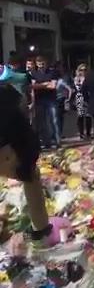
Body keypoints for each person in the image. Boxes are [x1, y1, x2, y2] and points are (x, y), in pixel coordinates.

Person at [0, 84, 69, 247]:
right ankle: (41, 234)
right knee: (30, 175)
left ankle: (41, 234)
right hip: (16, 146)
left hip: (15, 147)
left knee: (29, 174)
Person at [31, 56, 60, 149]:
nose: (41, 65)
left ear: (46, 62)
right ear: (36, 64)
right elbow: (33, 86)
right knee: (42, 122)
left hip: (51, 99)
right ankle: (47, 142)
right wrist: (46, 84)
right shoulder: (33, 73)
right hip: (39, 99)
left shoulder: (52, 72)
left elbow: (53, 86)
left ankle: (57, 141)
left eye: (43, 63)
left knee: (54, 121)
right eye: (39, 64)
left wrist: (40, 85)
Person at [54, 64, 73, 140]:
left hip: (59, 100)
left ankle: (58, 134)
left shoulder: (61, 80)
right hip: (57, 100)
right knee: (58, 118)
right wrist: (68, 98)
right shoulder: (60, 80)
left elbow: (70, 89)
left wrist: (68, 98)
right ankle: (58, 134)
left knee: (58, 118)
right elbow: (70, 89)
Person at [73, 64, 91, 140]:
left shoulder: (89, 78)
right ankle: (81, 133)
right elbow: (77, 88)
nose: (83, 71)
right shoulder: (76, 79)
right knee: (80, 116)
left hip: (88, 98)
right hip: (79, 98)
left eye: (85, 70)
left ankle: (88, 133)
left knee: (88, 116)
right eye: (81, 70)